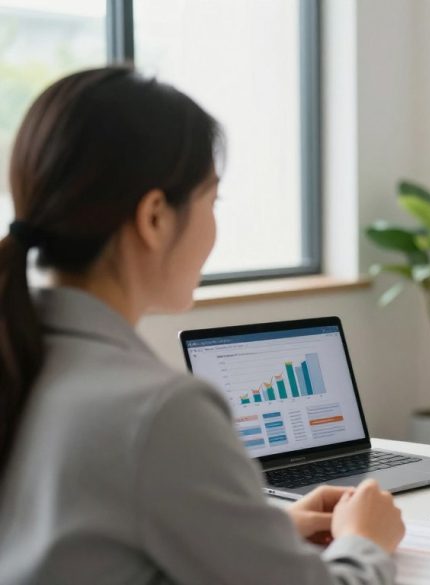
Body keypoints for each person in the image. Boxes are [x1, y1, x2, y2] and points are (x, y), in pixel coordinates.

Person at [0, 66, 404, 584]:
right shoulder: (159, 412)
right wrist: (364, 542)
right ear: (154, 217)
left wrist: (258, 529)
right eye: (212, 200)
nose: (214, 225)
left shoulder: (24, 359)